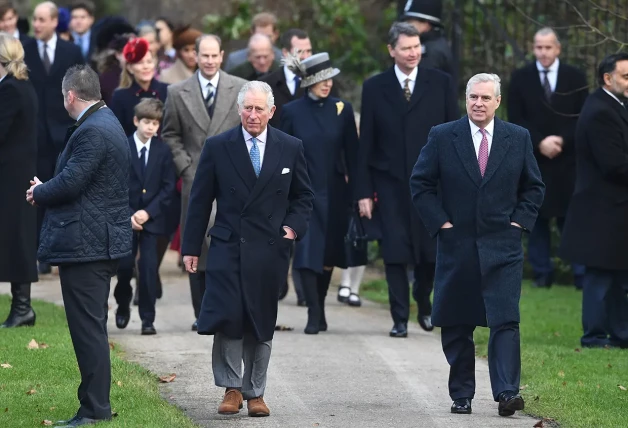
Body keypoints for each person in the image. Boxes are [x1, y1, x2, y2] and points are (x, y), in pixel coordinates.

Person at [410, 72, 544, 416]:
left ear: (498, 101)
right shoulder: (443, 137)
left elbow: (533, 187)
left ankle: (506, 393)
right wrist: (441, 222)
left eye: (486, 98)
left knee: (505, 320)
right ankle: (462, 394)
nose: (479, 103)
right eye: (473, 97)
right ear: (465, 99)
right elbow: (421, 183)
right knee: (457, 322)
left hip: (503, 246)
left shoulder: (518, 137)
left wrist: (519, 222)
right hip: (457, 245)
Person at [181, 81, 313, 417]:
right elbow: (199, 201)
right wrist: (191, 247)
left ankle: (256, 392)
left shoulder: (290, 146)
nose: (253, 115)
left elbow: (303, 197)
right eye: (247, 108)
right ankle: (231, 387)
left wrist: (291, 229)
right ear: (239, 110)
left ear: (272, 111)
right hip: (227, 244)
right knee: (230, 316)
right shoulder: (218, 146)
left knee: (261, 318)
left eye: (259, 109)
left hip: (270, 247)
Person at [26, 65, 132, 427]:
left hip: (89, 246)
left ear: (71, 95)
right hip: (94, 242)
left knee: (88, 331)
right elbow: (81, 179)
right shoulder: (105, 121)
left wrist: (39, 191)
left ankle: (93, 409)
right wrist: (49, 185)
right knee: (92, 328)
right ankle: (94, 404)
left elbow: (71, 182)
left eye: (63, 95)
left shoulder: (94, 131)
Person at [356, 22, 458, 337]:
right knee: (395, 252)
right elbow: (366, 143)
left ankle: (423, 305)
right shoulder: (374, 87)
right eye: (406, 48)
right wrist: (362, 191)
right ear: (392, 50)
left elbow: (454, 135)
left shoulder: (440, 83)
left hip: (431, 184)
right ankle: (399, 318)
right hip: (389, 184)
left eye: (416, 47)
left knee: (429, 254)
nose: (413, 53)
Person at [162, 34, 247, 331]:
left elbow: (246, 131)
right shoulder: (176, 91)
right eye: (204, 56)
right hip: (194, 178)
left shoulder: (239, 88)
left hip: (231, 182)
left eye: (214, 55)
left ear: (222, 55)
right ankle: (202, 313)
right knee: (195, 244)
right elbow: (169, 133)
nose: (210, 61)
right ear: (194, 57)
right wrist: (185, 166)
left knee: (226, 244)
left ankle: (225, 308)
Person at [280, 52, 358, 334]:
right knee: (307, 252)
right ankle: (313, 312)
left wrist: (359, 193)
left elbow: (353, 155)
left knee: (328, 255)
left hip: (336, 192)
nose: (327, 84)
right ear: (308, 82)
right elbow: (282, 153)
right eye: (320, 79)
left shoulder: (342, 109)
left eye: (329, 79)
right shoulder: (291, 112)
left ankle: (320, 307)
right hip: (303, 192)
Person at [508, 27, 588, 289]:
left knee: (572, 220)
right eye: (538, 47)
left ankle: (581, 274)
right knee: (537, 218)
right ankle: (542, 273)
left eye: (548, 47)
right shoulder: (520, 78)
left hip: (568, 160)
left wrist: (562, 140)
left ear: (558, 49)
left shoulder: (575, 77)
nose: (543, 52)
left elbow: (583, 116)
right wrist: (539, 141)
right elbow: (516, 118)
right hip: (535, 159)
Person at [560, 53, 628, 349]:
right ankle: (594, 336)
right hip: (602, 209)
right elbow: (614, 164)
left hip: (613, 208)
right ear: (607, 78)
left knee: (615, 277)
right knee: (600, 277)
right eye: (626, 76)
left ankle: (620, 334)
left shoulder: (614, 105)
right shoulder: (601, 110)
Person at [23, 1, 84, 275]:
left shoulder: (70, 50)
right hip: (33, 135)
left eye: (41, 20)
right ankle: (40, 253)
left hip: (62, 133)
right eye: (34, 19)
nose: (36, 24)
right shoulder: (24, 49)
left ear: (53, 22)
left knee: (59, 189)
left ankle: (60, 249)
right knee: (36, 190)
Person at [113, 98, 176, 335]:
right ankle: (122, 303)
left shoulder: (163, 150)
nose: (151, 128)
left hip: (152, 219)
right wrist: (129, 214)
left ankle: (148, 318)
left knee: (149, 270)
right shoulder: (123, 148)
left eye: (155, 124)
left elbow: (169, 187)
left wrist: (148, 212)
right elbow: (115, 185)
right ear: (136, 121)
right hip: (125, 217)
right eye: (147, 122)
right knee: (125, 268)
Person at [0, 34, 38, 328]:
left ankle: (23, 307)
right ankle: (21, 307)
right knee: (16, 237)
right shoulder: (20, 86)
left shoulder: (11, 90)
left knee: (17, 238)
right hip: (16, 173)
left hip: (12, 176)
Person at [110, 37, 168, 137]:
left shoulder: (167, 91)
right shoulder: (120, 96)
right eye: (140, 63)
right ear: (130, 68)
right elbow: (117, 134)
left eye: (149, 62)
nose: (146, 66)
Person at [399, 0, 454, 77]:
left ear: (426, 23)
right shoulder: (431, 44)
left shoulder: (431, 52)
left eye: (411, 21)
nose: (406, 26)